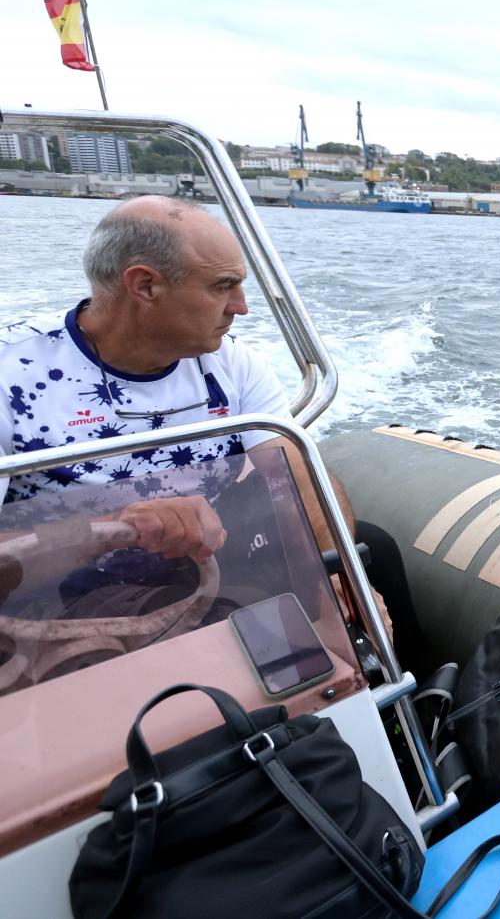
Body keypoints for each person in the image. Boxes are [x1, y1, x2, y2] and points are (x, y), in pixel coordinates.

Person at [0, 196, 431, 666]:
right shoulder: (13, 375)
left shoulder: (232, 363)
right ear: (145, 286)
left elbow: (292, 468)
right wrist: (113, 528)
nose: (241, 308)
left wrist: (336, 576)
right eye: (223, 286)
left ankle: (410, 712)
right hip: (60, 588)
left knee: (371, 550)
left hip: (209, 553)